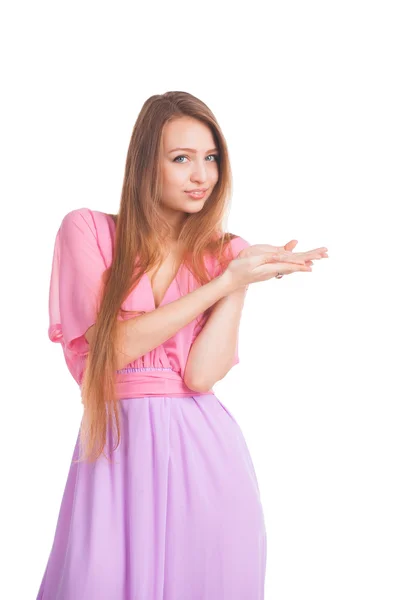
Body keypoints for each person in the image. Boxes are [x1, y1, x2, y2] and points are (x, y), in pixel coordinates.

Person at [36, 91, 328, 600]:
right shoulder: (88, 229)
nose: (202, 175)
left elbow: (199, 377)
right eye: (182, 158)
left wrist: (236, 279)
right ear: (146, 162)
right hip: (115, 452)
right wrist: (222, 283)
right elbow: (109, 351)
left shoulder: (222, 253)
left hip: (205, 455)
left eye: (211, 158)